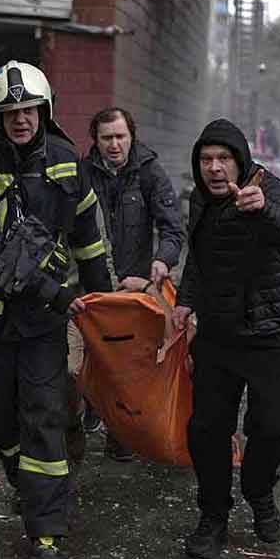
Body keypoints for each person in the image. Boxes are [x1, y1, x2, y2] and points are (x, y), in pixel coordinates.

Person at [0, 60, 111, 559]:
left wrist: (103, 306)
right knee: (1, 417)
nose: (22, 119)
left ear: (46, 110)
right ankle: (26, 483)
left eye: (30, 109)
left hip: (42, 325)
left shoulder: (65, 160)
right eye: (11, 111)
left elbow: (88, 236)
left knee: (45, 415)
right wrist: (57, 293)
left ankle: (47, 530)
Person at [173, 118, 280, 559]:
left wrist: (262, 207)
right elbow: (199, 256)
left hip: (273, 334)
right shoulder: (200, 200)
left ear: (241, 161)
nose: (214, 169)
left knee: (272, 427)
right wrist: (185, 302)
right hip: (219, 335)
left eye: (223, 159)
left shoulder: (268, 189)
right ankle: (213, 516)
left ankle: (259, 492)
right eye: (206, 160)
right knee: (206, 430)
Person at [80, 106, 185, 461]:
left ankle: (120, 433)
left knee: (129, 363)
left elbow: (172, 228)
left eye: (120, 136)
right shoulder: (81, 174)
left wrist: (161, 260)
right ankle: (90, 406)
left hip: (133, 288)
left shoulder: (150, 173)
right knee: (83, 357)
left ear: (131, 136)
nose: (114, 144)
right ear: (95, 140)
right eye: (106, 137)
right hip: (90, 285)